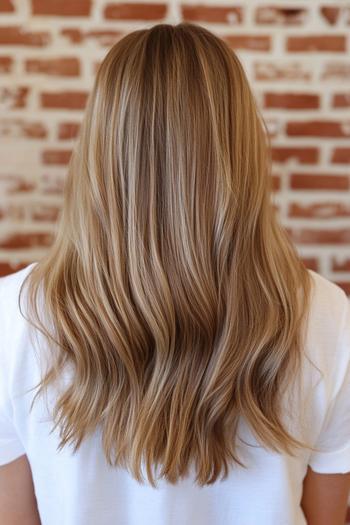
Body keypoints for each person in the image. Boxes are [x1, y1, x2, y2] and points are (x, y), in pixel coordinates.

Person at [0, 22, 350, 525]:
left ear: (101, 144)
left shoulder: (14, 316)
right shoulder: (326, 314)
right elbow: (324, 517)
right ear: (242, 146)